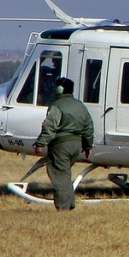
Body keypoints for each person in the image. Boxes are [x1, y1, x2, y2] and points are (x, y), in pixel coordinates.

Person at [33, 77, 94, 210]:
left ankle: (63, 208)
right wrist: (88, 146)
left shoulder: (56, 106)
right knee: (65, 174)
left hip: (61, 145)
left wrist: (40, 143)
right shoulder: (80, 106)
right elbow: (88, 127)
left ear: (59, 89)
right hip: (76, 146)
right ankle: (70, 203)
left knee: (60, 176)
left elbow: (50, 127)